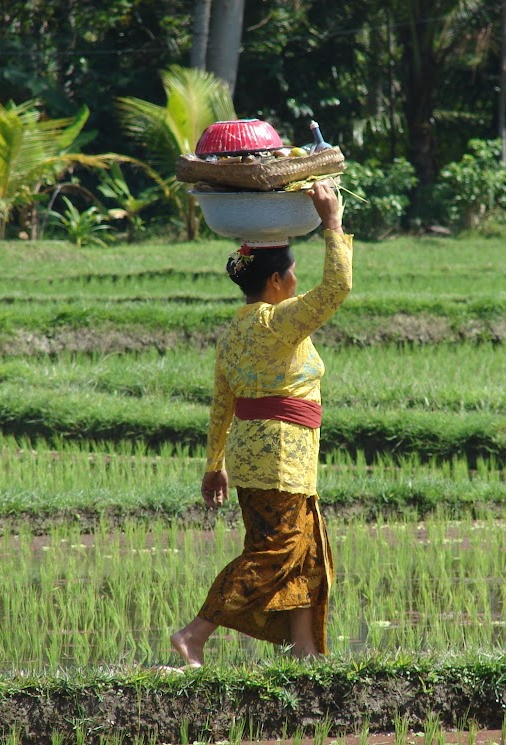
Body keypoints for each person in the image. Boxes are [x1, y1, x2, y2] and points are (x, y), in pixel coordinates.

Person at [170, 180, 352, 666]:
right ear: (276, 283)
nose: (296, 280)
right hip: (280, 457)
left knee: (306, 552)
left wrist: (215, 464)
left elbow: (221, 402)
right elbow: (338, 287)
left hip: (257, 456)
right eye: (293, 273)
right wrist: (331, 222)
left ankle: (306, 651)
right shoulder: (278, 321)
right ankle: (193, 635)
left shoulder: (234, 330)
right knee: (279, 549)